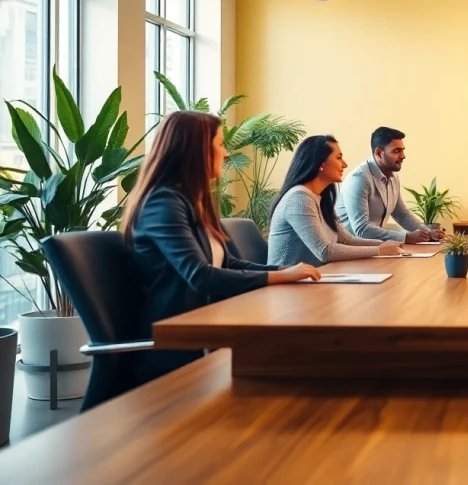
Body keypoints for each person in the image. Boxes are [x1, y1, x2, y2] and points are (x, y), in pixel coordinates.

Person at [123, 111, 320, 383]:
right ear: (195, 150)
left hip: (207, 326)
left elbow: (229, 263)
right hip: (178, 342)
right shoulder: (162, 203)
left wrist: (286, 270)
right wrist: (278, 277)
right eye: (219, 144)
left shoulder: (194, 199)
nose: (226, 154)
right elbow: (200, 276)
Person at [268, 135, 403, 266]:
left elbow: (346, 239)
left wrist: (386, 244)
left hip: (316, 277)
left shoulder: (320, 197)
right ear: (320, 163)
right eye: (339, 158)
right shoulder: (298, 198)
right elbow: (325, 251)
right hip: (287, 284)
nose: (344, 164)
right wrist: (378, 250)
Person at [336, 127, 442, 243]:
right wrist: (405, 237)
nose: (403, 156)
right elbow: (361, 229)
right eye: (396, 151)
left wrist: (428, 233)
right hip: (351, 250)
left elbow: (402, 215)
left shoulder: (393, 177)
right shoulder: (359, 179)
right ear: (378, 153)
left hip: (374, 248)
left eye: (402, 150)